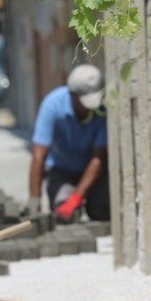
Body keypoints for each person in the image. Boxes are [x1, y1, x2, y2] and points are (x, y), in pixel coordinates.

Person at [27, 64, 109, 223]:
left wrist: (77, 196)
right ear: (72, 95)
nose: (91, 109)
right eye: (85, 103)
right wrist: (34, 202)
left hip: (94, 171)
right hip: (62, 170)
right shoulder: (52, 105)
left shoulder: (102, 110)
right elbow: (38, 157)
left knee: (102, 210)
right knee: (63, 213)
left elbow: (98, 158)